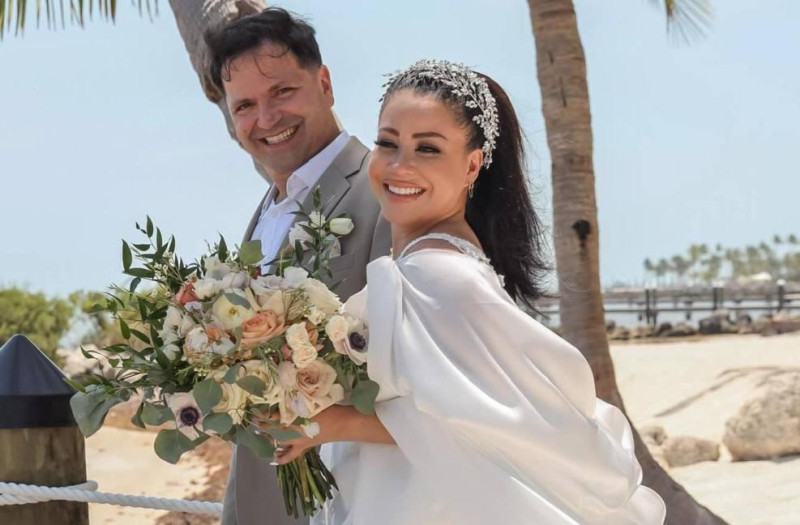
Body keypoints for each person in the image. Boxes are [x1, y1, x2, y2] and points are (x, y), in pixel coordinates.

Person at [270, 60, 667, 524]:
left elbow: (488, 428)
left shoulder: (439, 275)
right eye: (388, 142)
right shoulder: (432, 264)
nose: (400, 166)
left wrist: (333, 423)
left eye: (428, 149)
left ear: (472, 166)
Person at [204, 8, 390, 525]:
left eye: (282, 92)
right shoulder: (266, 210)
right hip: (258, 499)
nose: (266, 119)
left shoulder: (385, 192)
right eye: (245, 105)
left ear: (324, 83)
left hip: (350, 498)